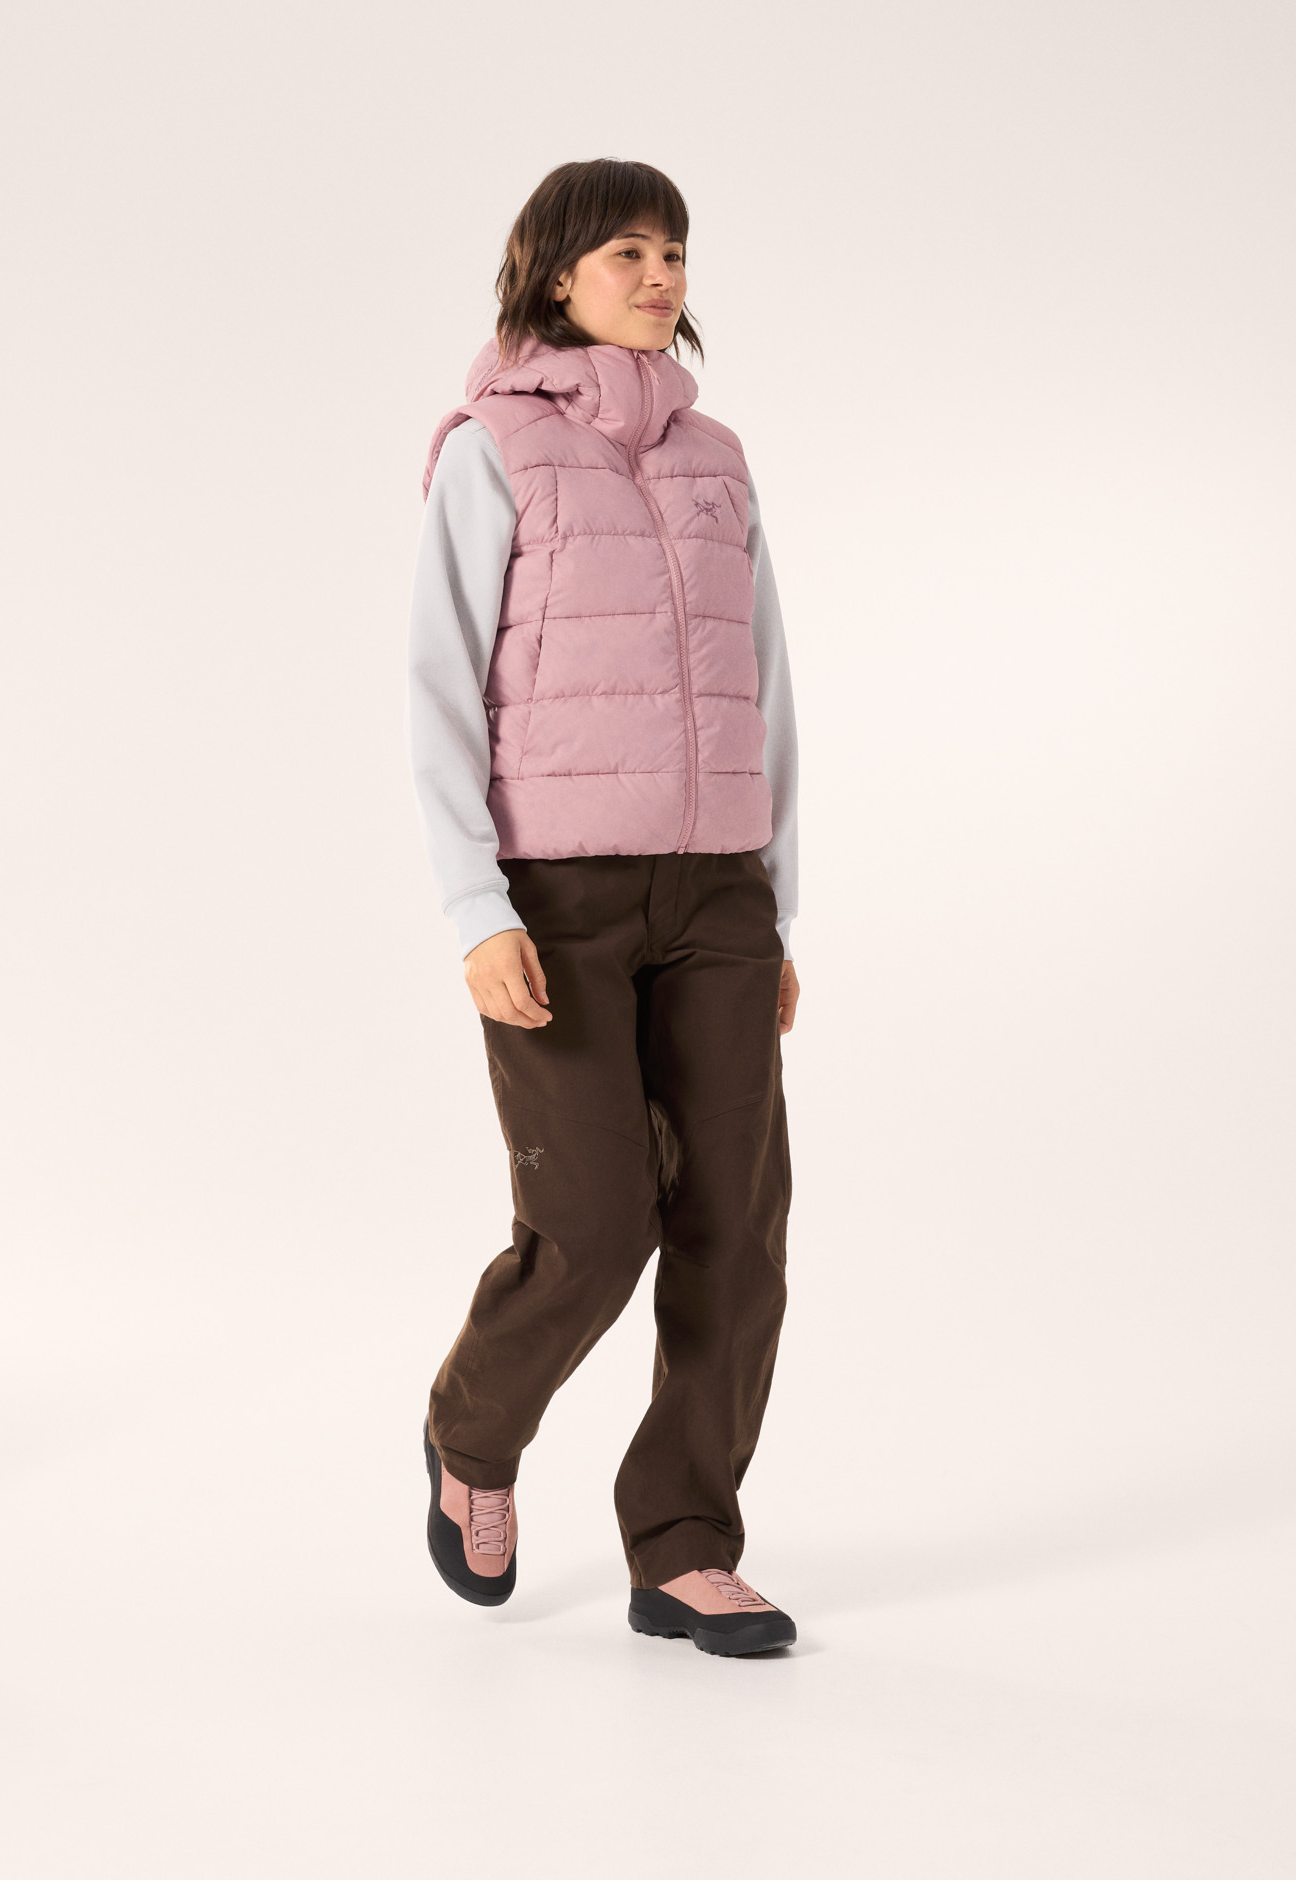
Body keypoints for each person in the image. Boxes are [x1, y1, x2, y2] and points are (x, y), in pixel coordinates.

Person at [405, 158, 801, 1657]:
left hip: (719, 892)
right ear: (555, 273)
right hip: (557, 895)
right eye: (627, 250)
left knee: (736, 1227)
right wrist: (474, 905)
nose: (658, 274)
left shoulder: (718, 457)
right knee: (591, 1219)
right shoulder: (491, 452)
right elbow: (440, 680)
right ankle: (472, 1428)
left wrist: (779, 909)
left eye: (674, 251)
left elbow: (767, 680)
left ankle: (685, 1545)